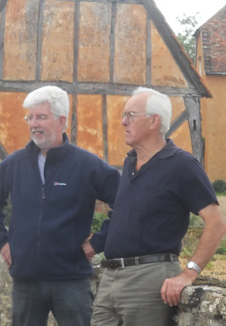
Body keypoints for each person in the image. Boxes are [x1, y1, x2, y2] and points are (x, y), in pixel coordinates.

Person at [0, 86, 121, 326]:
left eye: (41, 117)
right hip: (25, 281)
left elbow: (123, 202)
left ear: (60, 121)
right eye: (30, 117)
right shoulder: (15, 164)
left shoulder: (86, 164)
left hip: (71, 279)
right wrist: (2, 242)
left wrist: (97, 243)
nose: (34, 124)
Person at [88, 87, 226, 326]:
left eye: (130, 115)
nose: (123, 122)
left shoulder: (182, 165)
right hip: (110, 277)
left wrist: (189, 273)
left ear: (154, 121)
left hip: (148, 278)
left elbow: (216, 222)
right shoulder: (130, 162)